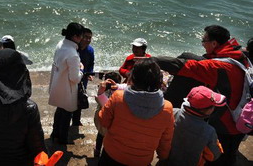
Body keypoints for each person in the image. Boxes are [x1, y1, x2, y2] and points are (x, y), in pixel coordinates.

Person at [154, 25, 248, 165]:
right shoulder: (237, 54)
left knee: (223, 158)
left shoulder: (219, 67)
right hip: (240, 114)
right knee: (187, 56)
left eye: (204, 41)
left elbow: (182, 66)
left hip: (226, 126)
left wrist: (150, 60)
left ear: (214, 43)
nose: (202, 44)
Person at [98, 58, 174, 165]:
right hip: (141, 161)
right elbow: (165, 140)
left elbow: (103, 121)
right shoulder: (167, 108)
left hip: (112, 155)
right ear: (159, 82)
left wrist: (101, 96)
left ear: (132, 78)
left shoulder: (118, 97)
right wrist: (163, 156)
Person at [168, 86, 224, 166]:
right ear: (207, 111)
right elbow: (213, 156)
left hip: (166, 160)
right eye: (213, 106)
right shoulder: (208, 132)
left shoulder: (172, 113)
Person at [48, 22, 85, 144]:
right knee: (66, 115)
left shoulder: (61, 44)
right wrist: (81, 69)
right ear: (75, 37)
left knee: (59, 110)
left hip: (57, 83)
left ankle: (55, 134)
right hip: (67, 89)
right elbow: (75, 78)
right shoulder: (73, 54)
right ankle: (62, 140)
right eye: (81, 36)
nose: (82, 38)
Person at [93, 72, 126, 157]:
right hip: (113, 118)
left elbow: (100, 101)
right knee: (110, 136)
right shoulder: (120, 92)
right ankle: (107, 152)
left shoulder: (101, 90)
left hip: (101, 117)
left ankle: (97, 151)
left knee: (100, 134)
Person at [72, 28, 94, 126]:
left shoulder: (90, 50)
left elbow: (91, 64)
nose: (88, 40)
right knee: (70, 99)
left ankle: (76, 121)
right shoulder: (74, 48)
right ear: (81, 37)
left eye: (90, 38)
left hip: (83, 78)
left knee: (81, 98)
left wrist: (90, 73)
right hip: (73, 77)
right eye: (86, 37)